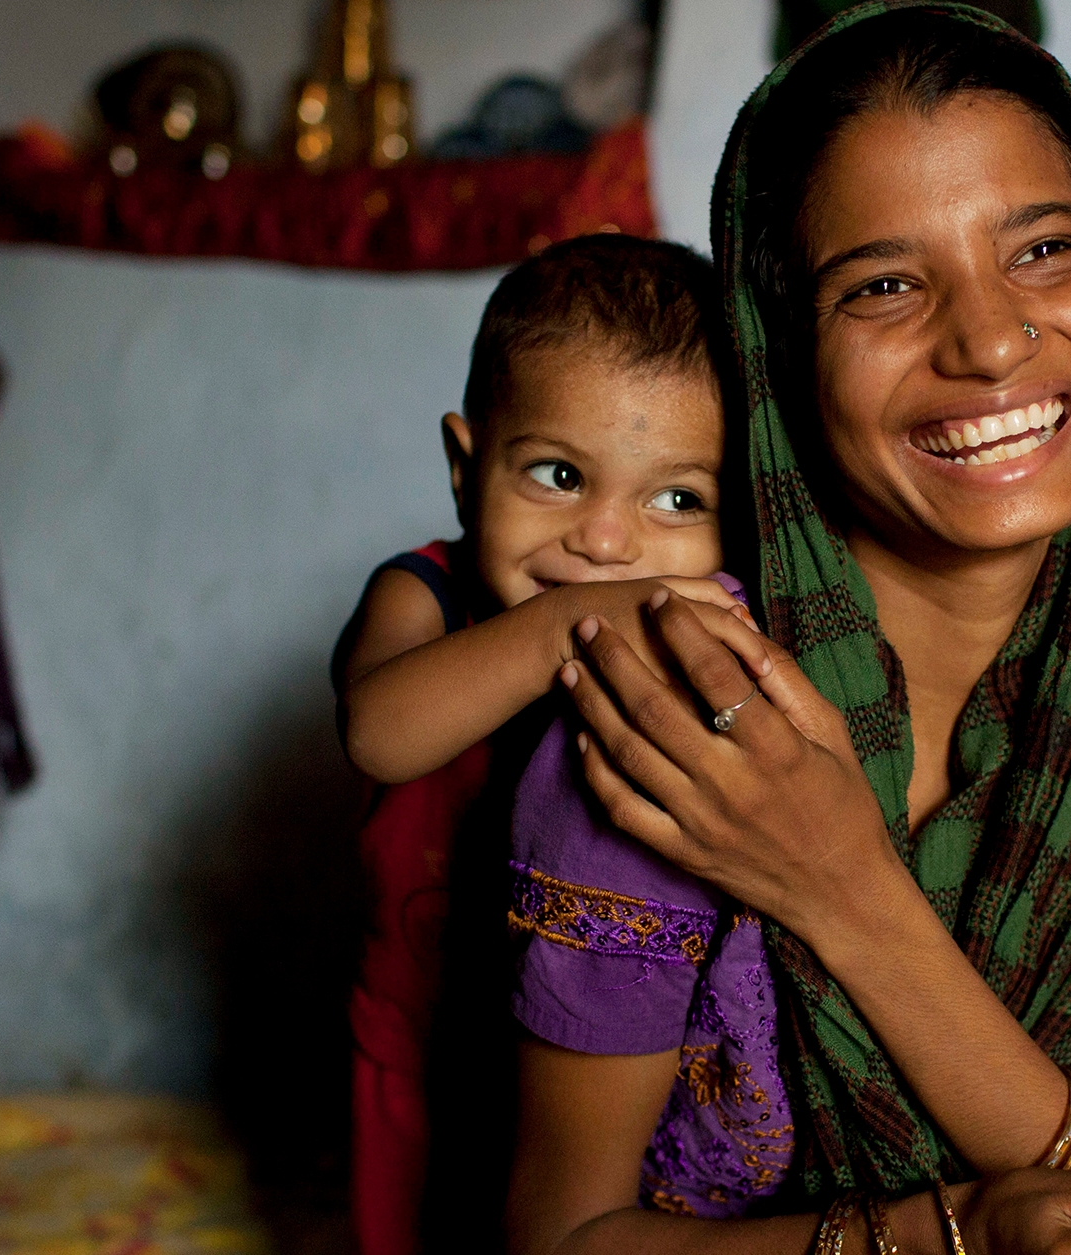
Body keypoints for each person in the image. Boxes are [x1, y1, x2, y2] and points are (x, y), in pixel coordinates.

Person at [506, 5, 1071, 1253]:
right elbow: (562, 1241)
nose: (991, 340)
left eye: (1044, 250)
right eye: (883, 284)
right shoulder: (679, 702)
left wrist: (845, 891)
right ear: (779, 356)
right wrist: (954, 1231)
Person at [328, 232, 748, 1255]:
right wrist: (575, 622)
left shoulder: (688, 640)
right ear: (466, 469)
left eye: (675, 499)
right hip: (424, 1039)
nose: (604, 542)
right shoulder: (424, 591)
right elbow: (379, 734)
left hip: (598, 1057)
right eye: (558, 474)